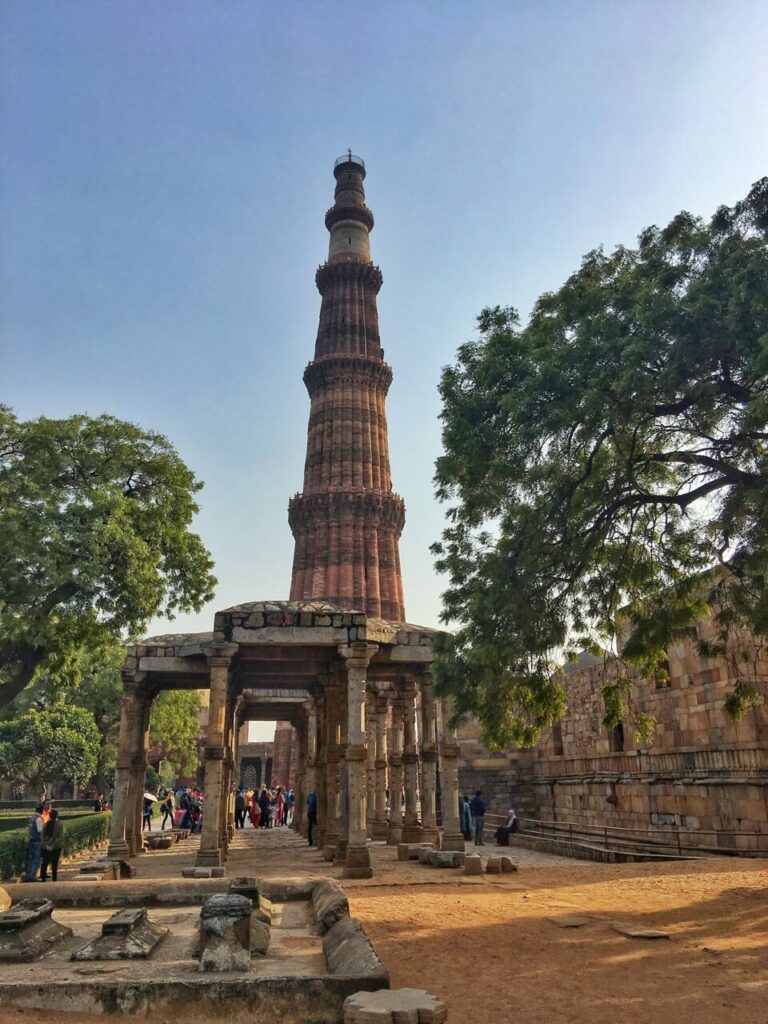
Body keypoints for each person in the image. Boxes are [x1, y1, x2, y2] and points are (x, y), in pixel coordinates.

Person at [40, 809, 65, 882]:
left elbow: (42, 836)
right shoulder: (59, 824)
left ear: (50, 816)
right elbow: (60, 837)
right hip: (56, 847)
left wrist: (46, 845)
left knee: (45, 862)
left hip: (46, 847)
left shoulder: (45, 824)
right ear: (57, 816)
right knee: (54, 864)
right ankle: (54, 879)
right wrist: (53, 845)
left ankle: (43, 878)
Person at [24, 803, 45, 882]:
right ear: (42, 810)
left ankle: (28, 875)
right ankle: (32, 876)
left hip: (31, 840)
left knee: (30, 859)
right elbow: (40, 830)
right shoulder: (39, 818)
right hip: (37, 841)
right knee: (37, 859)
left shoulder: (31, 818)